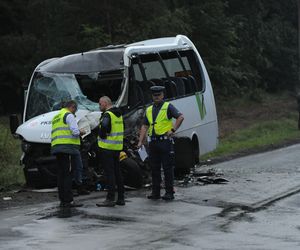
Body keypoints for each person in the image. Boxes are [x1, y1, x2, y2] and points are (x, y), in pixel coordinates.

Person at [138, 86, 184, 201]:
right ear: (152, 96)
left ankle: (169, 192)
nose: (157, 97)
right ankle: (156, 193)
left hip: (165, 142)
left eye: (159, 95)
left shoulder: (167, 106)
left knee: (168, 168)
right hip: (153, 142)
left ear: (162, 95)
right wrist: (140, 141)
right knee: (154, 169)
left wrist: (173, 130)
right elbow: (144, 126)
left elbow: (180, 117)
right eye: (154, 95)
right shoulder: (149, 109)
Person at [51, 100, 85, 207]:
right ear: (72, 107)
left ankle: (62, 200)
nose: (75, 113)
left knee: (61, 175)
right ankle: (69, 200)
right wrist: (81, 132)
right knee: (67, 175)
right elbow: (74, 132)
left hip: (57, 148)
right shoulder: (69, 115)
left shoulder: (56, 117)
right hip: (68, 148)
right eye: (75, 110)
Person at [96, 96, 125, 207]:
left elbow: (104, 126)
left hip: (107, 147)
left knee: (110, 174)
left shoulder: (108, 114)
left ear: (105, 103)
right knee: (117, 172)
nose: (99, 106)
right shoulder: (118, 114)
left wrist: (101, 134)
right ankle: (121, 198)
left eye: (100, 104)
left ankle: (110, 199)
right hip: (116, 148)